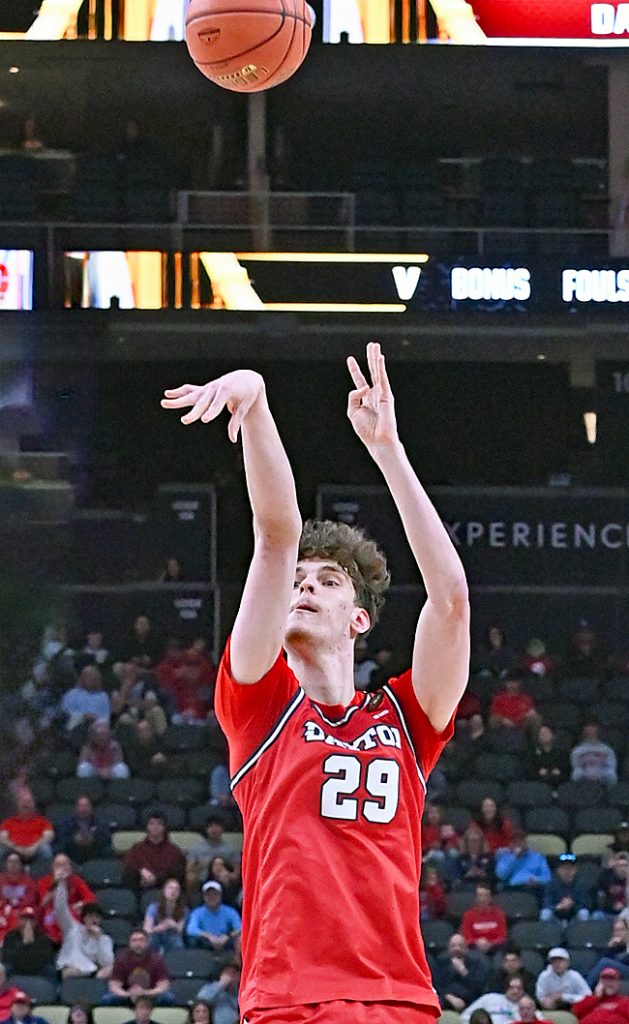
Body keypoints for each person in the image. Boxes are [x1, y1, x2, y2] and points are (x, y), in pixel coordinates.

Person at [161, 343, 471, 1024]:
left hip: (400, 999)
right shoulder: (260, 703)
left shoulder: (406, 719)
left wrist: (388, 451)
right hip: (290, 999)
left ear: (359, 617)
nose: (304, 587)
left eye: (327, 581)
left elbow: (450, 600)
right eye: (298, 582)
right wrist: (254, 400)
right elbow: (277, 535)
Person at [102, 927, 175, 1006]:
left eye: (141, 940)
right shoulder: (121, 959)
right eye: (134, 940)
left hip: (151, 994)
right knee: (107, 999)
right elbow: (114, 985)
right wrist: (129, 994)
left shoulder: (157, 959)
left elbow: (163, 985)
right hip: (127, 994)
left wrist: (145, 993)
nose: (138, 944)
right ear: (129, 943)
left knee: (169, 998)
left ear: (147, 942)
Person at [36, 853, 95, 946]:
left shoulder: (76, 880)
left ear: (70, 867)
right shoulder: (44, 881)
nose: (62, 868)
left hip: (72, 912)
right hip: (51, 912)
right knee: (48, 919)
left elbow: (91, 898)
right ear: (53, 867)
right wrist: (56, 882)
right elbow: (44, 902)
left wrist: (81, 904)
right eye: (58, 865)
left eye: (65, 865)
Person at [54, 891, 114, 979]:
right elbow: (60, 908)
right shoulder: (72, 928)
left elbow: (107, 962)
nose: (94, 919)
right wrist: (62, 885)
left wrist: (100, 939)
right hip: (69, 969)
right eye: (90, 916)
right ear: (84, 918)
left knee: (111, 969)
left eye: (97, 917)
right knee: (71, 972)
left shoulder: (105, 939)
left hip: (91, 972)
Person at [121, 812, 186, 891]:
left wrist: (156, 879)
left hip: (164, 889)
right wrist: (141, 871)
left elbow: (177, 872)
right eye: (151, 824)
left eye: (159, 824)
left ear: (164, 827)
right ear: (147, 827)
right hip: (139, 887)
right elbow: (129, 864)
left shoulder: (174, 851)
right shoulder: (137, 848)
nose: (155, 827)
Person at [185, 880, 241, 962]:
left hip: (225, 941)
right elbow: (191, 929)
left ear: (220, 896)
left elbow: (240, 928)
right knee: (193, 940)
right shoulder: (197, 912)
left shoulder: (230, 911)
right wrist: (209, 936)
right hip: (206, 943)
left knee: (239, 940)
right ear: (204, 897)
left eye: (215, 894)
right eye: (208, 895)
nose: (212, 897)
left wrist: (226, 937)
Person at [0, 790, 54, 874]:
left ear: (33, 804)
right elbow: (2, 838)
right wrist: (16, 847)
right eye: (22, 801)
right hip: (13, 850)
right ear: (17, 804)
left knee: (45, 849)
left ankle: (44, 875)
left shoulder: (43, 821)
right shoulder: (8, 822)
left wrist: (34, 847)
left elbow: (49, 836)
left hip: (35, 850)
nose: (25, 804)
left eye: (29, 802)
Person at [434, 933, 489, 1013]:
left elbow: (478, 986)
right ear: (448, 948)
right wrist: (450, 998)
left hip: (469, 999)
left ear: (466, 948)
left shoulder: (476, 962)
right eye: (453, 946)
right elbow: (437, 984)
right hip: (447, 998)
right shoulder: (441, 961)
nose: (457, 948)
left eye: (461, 946)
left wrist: (463, 971)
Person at [186, 814, 240, 891]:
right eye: (211, 826)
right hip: (202, 879)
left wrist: (228, 875)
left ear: (222, 829)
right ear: (206, 829)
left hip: (223, 879)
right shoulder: (196, 848)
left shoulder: (231, 849)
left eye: (217, 826)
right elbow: (189, 869)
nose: (214, 829)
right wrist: (202, 865)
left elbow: (237, 873)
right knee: (190, 878)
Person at [53, 795, 111, 863]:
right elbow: (62, 840)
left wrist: (93, 839)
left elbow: (105, 839)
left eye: (86, 806)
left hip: (94, 852)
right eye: (81, 806)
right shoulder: (65, 823)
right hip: (72, 853)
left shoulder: (100, 823)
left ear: (91, 808)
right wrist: (74, 839)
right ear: (76, 807)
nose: (84, 809)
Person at [2, 905, 56, 978]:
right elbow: (7, 957)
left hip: (37, 970)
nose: (28, 923)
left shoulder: (43, 937)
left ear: (35, 922)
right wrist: (24, 944)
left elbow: (44, 958)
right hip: (16, 969)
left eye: (31, 920)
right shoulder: (11, 935)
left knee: (50, 969)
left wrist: (29, 944)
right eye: (24, 919)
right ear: (19, 920)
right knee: (5, 967)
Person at [60, 665, 111, 739]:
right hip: (76, 726)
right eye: (87, 676)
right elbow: (65, 712)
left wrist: (95, 719)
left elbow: (105, 717)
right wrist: (83, 716)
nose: (89, 679)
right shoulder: (72, 693)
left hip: (96, 728)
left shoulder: (103, 696)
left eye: (92, 677)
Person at [540, 852, 591, 923]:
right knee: (545, 913)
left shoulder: (581, 884)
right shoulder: (551, 884)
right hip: (556, 915)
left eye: (570, 868)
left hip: (575, 916)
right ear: (558, 870)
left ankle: (584, 930)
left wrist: (572, 904)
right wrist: (558, 906)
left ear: (575, 870)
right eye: (564, 868)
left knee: (584, 913)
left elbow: (585, 903)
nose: (567, 872)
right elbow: (546, 903)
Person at [489, 672, 541, 738]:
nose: (511, 685)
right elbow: (494, 714)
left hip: (522, 726)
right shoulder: (498, 699)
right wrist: (502, 719)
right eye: (509, 682)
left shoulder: (527, 699)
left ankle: (534, 742)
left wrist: (528, 715)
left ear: (519, 683)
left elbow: (531, 713)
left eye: (514, 682)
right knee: (494, 719)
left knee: (535, 717)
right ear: (505, 683)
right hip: (503, 725)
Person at [143, 877, 188, 953]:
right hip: (155, 934)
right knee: (150, 940)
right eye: (170, 888)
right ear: (164, 891)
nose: (173, 891)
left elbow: (180, 930)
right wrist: (162, 927)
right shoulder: (153, 907)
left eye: (177, 889)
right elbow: (147, 930)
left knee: (178, 943)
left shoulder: (184, 910)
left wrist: (173, 924)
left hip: (173, 935)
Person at [460, 882, 508, 953]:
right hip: (474, 949)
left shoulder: (499, 914)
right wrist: (477, 943)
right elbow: (467, 937)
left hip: (495, 949)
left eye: (486, 895)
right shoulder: (468, 915)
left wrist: (490, 944)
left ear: (491, 898)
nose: (483, 899)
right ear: (476, 898)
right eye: (480, 895)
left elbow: (502, 937)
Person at [461, 976, 527, 1024]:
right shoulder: (490, 998)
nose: (515, 991)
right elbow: (465, 1016)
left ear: (523, 990)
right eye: (512, 987)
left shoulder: (526, 1006)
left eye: (519, 988)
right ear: (506, 988)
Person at [570, 719, 617, 784]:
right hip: (583, 784)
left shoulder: (607, 750)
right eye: (588, 727)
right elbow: (576, 770)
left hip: (604, 784)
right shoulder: (577, 751)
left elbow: (611, 770)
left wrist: (600, 777)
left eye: (593, 726)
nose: (591, 730)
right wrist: (587, 777)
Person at [587, 917, 629, 987]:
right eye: (616, 930)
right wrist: (610, 947)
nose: (619, 933)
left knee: (605, 962)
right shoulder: (617, 946)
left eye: (622, 930)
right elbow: (599, 962)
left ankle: (586, 987)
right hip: (616, 973)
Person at [451, 825, 495, 890]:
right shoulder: (460, 859)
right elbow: (456, 877)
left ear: (481, 842)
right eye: (471, 840)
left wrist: (484, 874)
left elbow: (494, 876)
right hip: (466, 885)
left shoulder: (489, 857)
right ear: (466, 842)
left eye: (477, 840)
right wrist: (467, 875)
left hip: (484, 885)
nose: (474, 843)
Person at [596, 850, 629, 916]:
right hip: (609, 912)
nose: (622, 869)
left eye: (625, 865)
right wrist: (613, 904)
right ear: (614, 867)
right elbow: (603, 896)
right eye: (619, 866)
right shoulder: (606, 878)